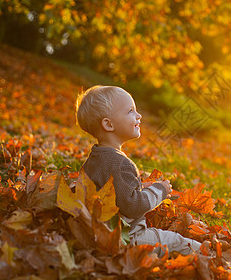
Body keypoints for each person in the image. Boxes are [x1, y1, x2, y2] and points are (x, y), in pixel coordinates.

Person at [75, 85, 201, 257]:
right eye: (130, 111)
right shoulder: (120, 163)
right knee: (177, 242)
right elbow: (132, 206)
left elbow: (117, 193)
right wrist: (159, 190)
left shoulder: (95, 158)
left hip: (99, 233)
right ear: (108, 124)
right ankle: (211, 256)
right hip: (127, 237)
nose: (139, 115)